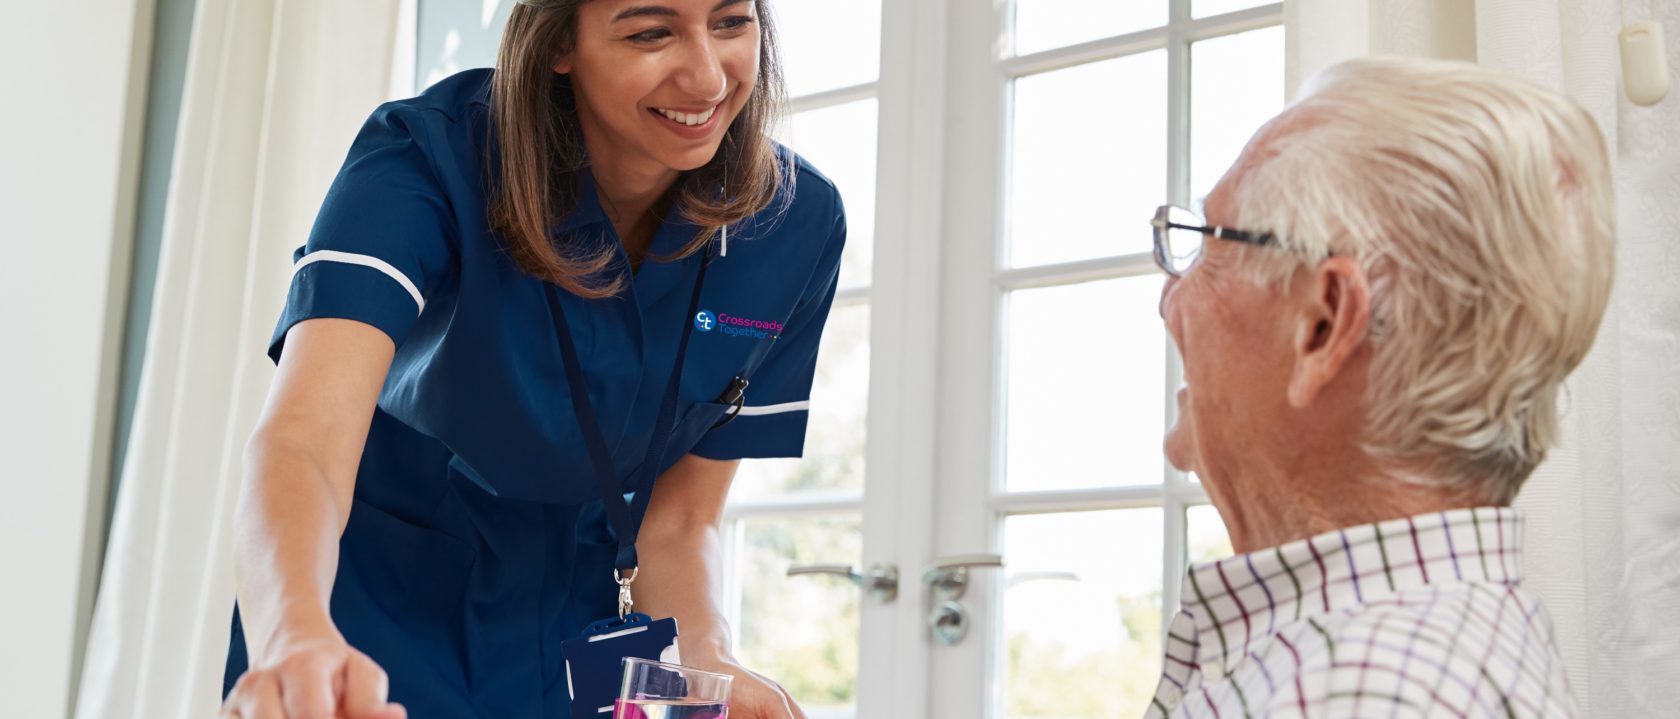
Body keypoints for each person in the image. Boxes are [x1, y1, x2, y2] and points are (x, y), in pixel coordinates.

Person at [219, 1, 844, 717]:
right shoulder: (423, 160)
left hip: (586, 637)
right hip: (373, 623)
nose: (707, 77)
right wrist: (291, 633)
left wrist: (708, 659)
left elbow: (679, 521)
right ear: (558, 43)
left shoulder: (795, 224)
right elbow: (305, 441)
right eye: (651, 32)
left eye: (732, 22)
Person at [1144, 56, 1612, 718]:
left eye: (1208, 244)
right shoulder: (1410, 650)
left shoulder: (1363, 689)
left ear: (1324, 321)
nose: (1169, 300)